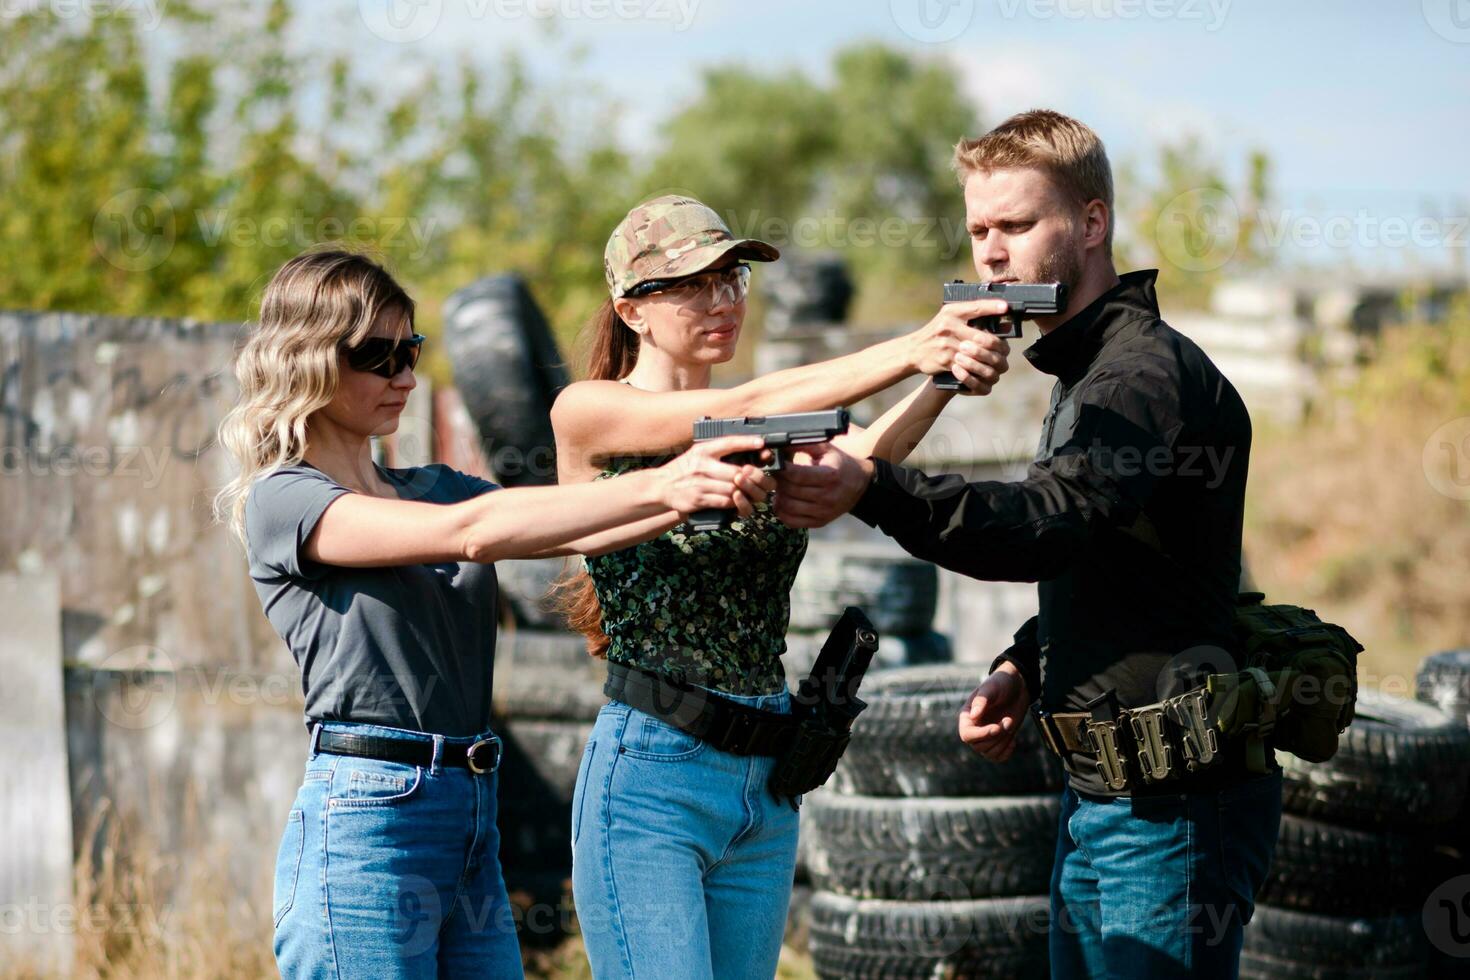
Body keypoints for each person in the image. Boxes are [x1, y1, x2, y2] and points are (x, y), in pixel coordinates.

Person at [771, 110, 1278, 979]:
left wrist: (875, 486)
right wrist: (1026, 664)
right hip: (1104, 799)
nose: (992, 253)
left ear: (1091, 223)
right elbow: (1118, 561)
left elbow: (1048, 524)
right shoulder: (1085, 368)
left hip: (1171, 811)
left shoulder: (1139, 375)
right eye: (978, 230)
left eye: (1017, 224)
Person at [212, 247, 775, 979]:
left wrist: (701, 487)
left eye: (409, 350)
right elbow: (471, 533)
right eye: (376, 356)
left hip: (473, 811)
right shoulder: (284, 498)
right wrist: (672, 486)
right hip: (368, 821)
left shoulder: (435, 484)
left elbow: (577, 525)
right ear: (309, 359)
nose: (406, 376)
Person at [550, 194, 1012, 979]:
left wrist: (945, 373)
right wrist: (916, 343)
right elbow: (740, 406)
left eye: (733, 279)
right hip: (653, 775)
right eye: (694, 284)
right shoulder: (593, 411)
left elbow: (861, 457)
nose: (723, 300)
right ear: (632, 310)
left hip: (767, 778)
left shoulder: (770, 418)